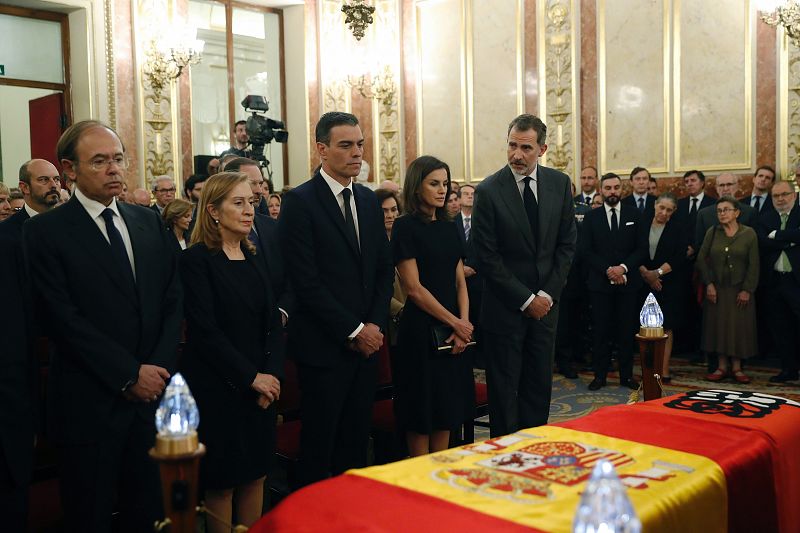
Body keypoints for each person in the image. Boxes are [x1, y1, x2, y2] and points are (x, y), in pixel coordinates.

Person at [23, 120, 182, 532]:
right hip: (87, 403)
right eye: (99, 161)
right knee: (89, 516)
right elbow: (60, 317)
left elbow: (171, 299)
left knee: (148, 514)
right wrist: (129, 374)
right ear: (70, 169)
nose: (114, 169)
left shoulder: (147, 221)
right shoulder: (45, 232)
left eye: (118, 159)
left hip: (150, 401)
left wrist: (156, 371)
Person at [278, 111, 393, 486]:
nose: (357, 153)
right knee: (319, 449)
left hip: (366, 348)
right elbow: (305, 282)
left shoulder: (367, 199)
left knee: (355, 447)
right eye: (346, 145)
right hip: (324, 348)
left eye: (360, 144)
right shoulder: (300, 202)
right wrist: (355, 329)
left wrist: (374, 326)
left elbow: (380, 271)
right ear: (322, 150)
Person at [179, 172, 284, 532]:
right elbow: (205, 332)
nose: (249, 210)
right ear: (212, 210)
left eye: (251, 202)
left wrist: (269, 376)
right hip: (220, 389)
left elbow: (272, 325)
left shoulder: (253, 257)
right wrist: (251, 378)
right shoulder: (196, 260)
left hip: (261, 389)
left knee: (256, 475)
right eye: (237, 203)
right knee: (222, 484)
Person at [472, 113, 576, 436]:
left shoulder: (559, 184)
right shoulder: (489, 190)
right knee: (503, 392)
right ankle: (504, 458)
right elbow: (485, 256)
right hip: (505, 309)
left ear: (542, 149)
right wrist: (526, 298)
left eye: (526, 148)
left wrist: (546, 295)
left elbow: (567, 244)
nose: (517, 154)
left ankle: (534, 448)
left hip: (546, 309)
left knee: (537, 387)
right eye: (512, 146)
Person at [392, 156, 474, 456]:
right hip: (421, 331)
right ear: (417, 187)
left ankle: (438, 476)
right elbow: (413, 289)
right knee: (421, 412)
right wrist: (456, 322)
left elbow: (460, 282)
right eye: (434, 184)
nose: (442, 190)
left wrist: (464, 326)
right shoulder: (404, 227)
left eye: (445, 184)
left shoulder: (450, 226)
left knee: (446, 409)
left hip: (455, 330)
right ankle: (419, 478)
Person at [0, 159, 61, 530]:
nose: (53, 185)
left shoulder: (69, 230)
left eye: (56, 178)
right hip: (22, 356)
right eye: (44, 180)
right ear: (25, 188)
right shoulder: (8, 239)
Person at [579, 173, 647, 391]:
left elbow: (642, 249)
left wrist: (623, 269)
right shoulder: (592, 217)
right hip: (600, 285)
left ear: (621, 189)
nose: (612, 192)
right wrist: (608, 270)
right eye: (608, 188)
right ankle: (600, 376)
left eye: (616, 187)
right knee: (601, 332)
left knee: (626, 332)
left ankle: (626, 376)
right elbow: (585, 251)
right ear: (601, 190)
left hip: (628, 285)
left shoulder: (634, 214)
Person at [696, 196, 759, 383]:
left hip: (740, 289)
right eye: (719, 210)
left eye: (726, 209)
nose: (722, 213)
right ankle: (721, 367)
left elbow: (754, 264)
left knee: (739, 328)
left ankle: (738, 368)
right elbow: (700, 258)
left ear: (737, 212)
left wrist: (747, 289)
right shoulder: (712, 232)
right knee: (719, 327)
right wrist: (708, 284)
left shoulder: (749, 234)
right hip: (716, 289)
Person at [638, 193, 687, 383]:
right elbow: (634, 251)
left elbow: (679, 256)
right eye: (661, 208)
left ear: (673, 211)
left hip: (668, 284)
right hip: (643, 282)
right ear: (655, 206)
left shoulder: (678, 228)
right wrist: (646, 274)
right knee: (646, 326)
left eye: (669, 210)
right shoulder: (641, 224)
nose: (664, 212)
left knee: (666, 326)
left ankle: (664, 370)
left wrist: (657, 274)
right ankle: (648, 369)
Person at [757, 181, 800, 383]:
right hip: (774, 282)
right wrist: (792, 240)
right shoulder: (766, 218)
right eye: (776, 196)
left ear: (794, 195)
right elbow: (764, 243)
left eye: (785, 194)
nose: (781, 199)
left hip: (796, 282)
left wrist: (778, 236)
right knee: (780, 327)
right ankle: (788, 369)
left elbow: (774, 240)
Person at [375, 188, 406, 347]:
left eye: (394, 210)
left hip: (412, 313)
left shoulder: (405, 240)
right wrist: (400, 309)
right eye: (384, 211)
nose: (390, 215)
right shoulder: (371, 245)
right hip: (385, 318)